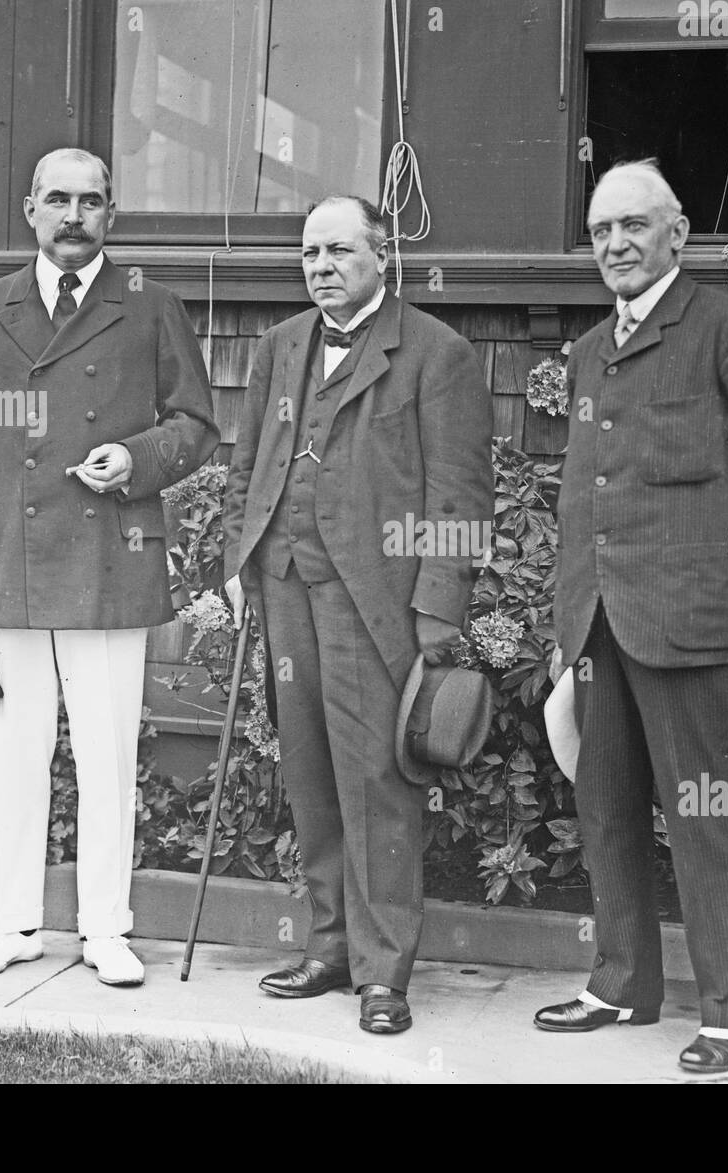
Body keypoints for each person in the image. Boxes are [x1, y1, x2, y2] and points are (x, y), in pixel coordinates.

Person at [534, 161, 728, 1073]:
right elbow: (585, 492)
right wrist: (562, 617)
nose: (615, 245)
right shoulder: (589, 350)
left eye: (632, 226)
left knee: (708, 814)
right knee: (607, 806)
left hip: (691, 620)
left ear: (678, 233)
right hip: (596, 624)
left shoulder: (727, 330)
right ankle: (621, 982)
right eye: (600, 232)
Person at [0, 148, 220, 986]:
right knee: (15, 747)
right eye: (58, 199)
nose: (74, 214)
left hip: (107, 561)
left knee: (107, 752)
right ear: (30, 210)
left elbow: (196, 423)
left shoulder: (149, 306)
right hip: (4, 559)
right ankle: (9, 922)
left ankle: (105, 928)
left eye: (91, 200)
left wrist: (136, 455)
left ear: (111, 214)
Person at [223, 195, 493, 1034]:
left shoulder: (436, 355)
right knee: (308, 773)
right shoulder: (279, 346)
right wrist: (238, 558)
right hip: (284, 587)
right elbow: (247, 464)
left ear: (383, 256)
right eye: (310, 253)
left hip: (372, 604)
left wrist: (437, 612)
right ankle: (331, 945)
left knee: (377, 783)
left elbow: (459, 495)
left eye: (339, 251)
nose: (321, 267)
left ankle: (384, 972)